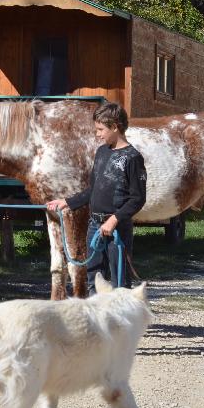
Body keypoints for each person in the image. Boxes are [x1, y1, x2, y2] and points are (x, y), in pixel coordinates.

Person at [46, 102, 146, 291]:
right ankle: (97, 319)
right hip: (95, 226)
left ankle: (120, 320)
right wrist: (67, 202)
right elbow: (93, 189)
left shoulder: (133, 158)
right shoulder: (101, 152)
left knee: (120, 283)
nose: (97, 134)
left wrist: (114, 220)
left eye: (100, 129)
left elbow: (138, 198)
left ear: (115, 127)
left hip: (118, 229)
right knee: (94, 279)